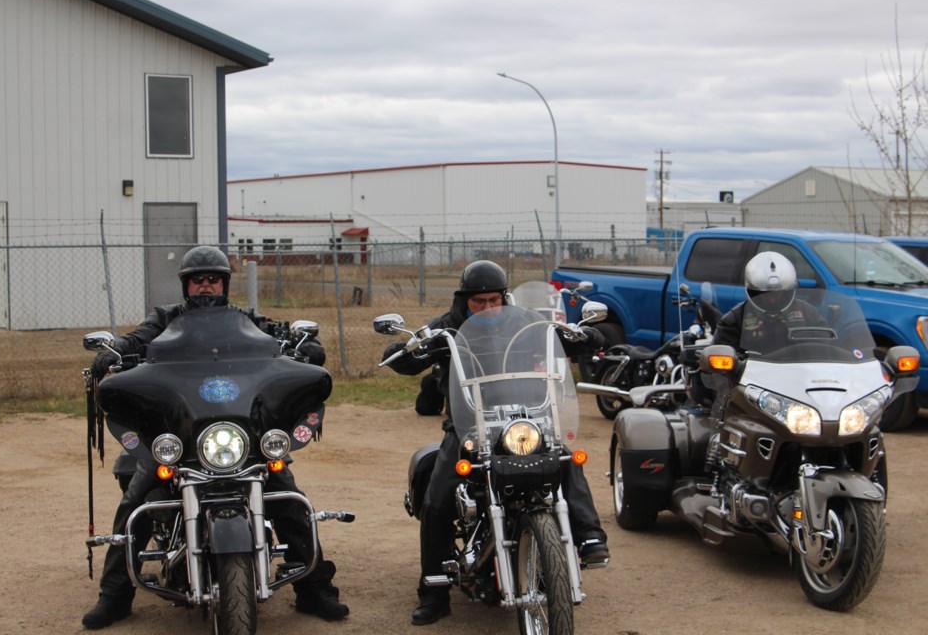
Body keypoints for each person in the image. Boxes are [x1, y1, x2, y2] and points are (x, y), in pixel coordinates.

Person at [82, 245, 345, 629]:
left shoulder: (244, 319)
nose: (206, 286)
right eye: (197, 280)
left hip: (238, 437)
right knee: (136, 502)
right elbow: (138, 339)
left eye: (213, 279)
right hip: (182, 439)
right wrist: (118, 350)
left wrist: (302, 342)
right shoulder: (165, 319)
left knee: (289, 498)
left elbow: (276, 332)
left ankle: (315, 590)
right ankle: (115, 595)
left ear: (224, 283)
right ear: (186, 285)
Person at [381, 260, 610, 626]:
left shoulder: (527, 321)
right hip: (470, 425)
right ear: (464, 300)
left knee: (565, 459)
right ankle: (434, 591)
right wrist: (407, 349)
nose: (487, 308)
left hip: (526, 418)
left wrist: (583, 336)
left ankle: (589, 538)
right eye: (479, 302)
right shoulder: (447, 327)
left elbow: (566, 341)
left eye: (494, 300)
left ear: (504, 296)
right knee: (439, 496)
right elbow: (406, 358)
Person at [712, 251, 827, 354]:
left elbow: (827, 348)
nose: (772, 299)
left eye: (777, 293)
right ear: (754, 292)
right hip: (753, 376)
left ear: (788, 291)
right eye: (765, 294)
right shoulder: (735, 319)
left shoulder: (807, 313)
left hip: (799, 374)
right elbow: (722, 361)